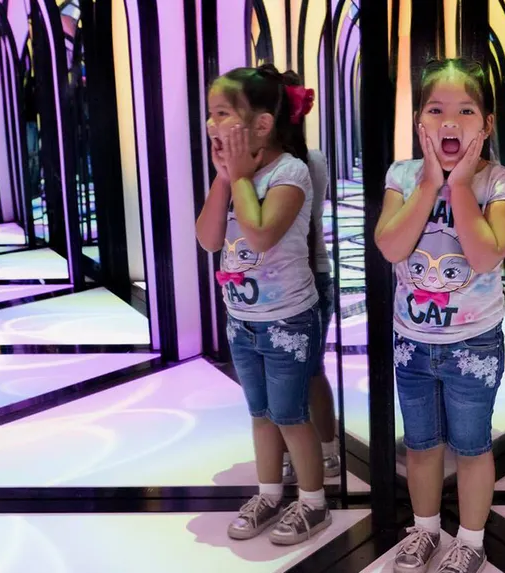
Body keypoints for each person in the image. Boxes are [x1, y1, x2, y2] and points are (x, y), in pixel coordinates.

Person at [375, 58, 505, 573]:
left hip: (473, 345)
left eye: (465, 110)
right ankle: (425, 530)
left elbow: (485, 256)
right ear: (420, 121)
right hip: (411, 341)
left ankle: (471, 540)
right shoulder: (402, 175)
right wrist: (428, 184)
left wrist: (457, 185)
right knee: (420, 446)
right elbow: (390, 245)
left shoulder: (500, 184)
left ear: (485, 124)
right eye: (436, 110)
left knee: (472, 445)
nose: (450, 122)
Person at [196, 64, 330, 546]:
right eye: (209, 115)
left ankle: (313, 504)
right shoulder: (234, 176)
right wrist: (224, 180)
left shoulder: (290, 172)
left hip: (288, 319)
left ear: (262, 124)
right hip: (243, 319)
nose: (212, 126)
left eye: (222, 114)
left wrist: (239, 179)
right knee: (261, 413)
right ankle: (270, 493)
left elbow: (261, 232)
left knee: (292, 415)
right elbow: (210, 238)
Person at [279, 71, 341, 486]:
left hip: (307, 274)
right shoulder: (312, 160)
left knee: (304, 370)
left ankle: (324, 452)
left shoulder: (303, 164)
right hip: (311, 272)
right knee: (305, 371)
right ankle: (325, 450)